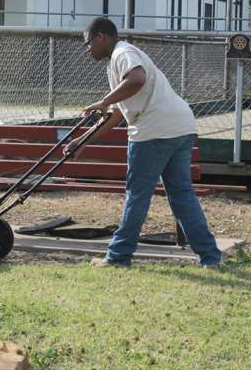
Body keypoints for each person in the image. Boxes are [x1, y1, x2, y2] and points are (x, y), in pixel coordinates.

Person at [64, 17, 221, 268]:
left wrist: (103, 101)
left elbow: (137, 80)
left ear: (102, 37)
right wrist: (82, 141)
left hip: (153, 130)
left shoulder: (122, 53)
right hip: (180, 126)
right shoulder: (117, 62)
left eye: (89, 43)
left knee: (137, 196)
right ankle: (210, 257)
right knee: (182, 195)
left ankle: (118, 257)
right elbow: (117, 114)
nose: (88, 49)